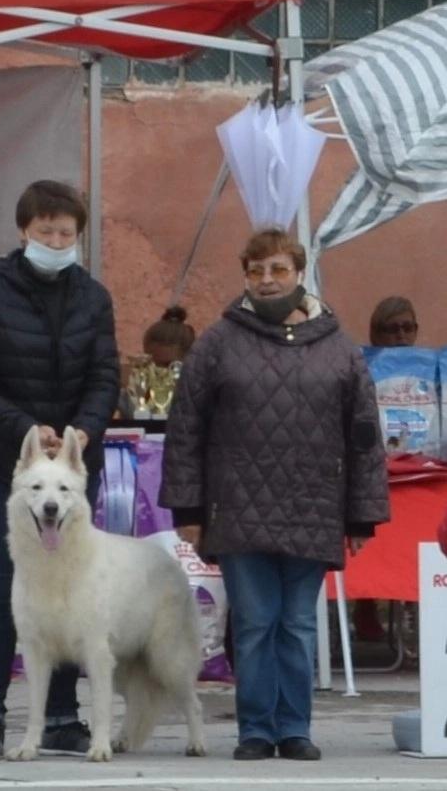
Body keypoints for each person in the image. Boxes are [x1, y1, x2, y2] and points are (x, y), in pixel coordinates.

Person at [158, 228, 389, 762]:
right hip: (238, 510)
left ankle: (296, 729)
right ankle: (256, 730)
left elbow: (363, 435)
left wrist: (361, 517)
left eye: (278, 270)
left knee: (299, 623)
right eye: (256, 271)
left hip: (313, 508)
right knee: (257, 622)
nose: (267, 281)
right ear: (245, 277)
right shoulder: (216, 343)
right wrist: (189, 509)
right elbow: (186, 427)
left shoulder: (340, 348)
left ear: (298, 273)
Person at [0, 179, 120, 759]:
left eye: (66, 232)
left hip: (69, 476)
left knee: (72, 597)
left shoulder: (94, 299)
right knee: (3, 593)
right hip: (4, 470)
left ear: (78, 236)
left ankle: (61, 718)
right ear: (24, 231)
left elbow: (105, 377)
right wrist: (26, 427)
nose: (56, 239)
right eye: (45, 230)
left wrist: (82, 430)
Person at [353, 296, 419, 649]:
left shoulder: (429, 372)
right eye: (392, 329)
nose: (401, 336)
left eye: (408, 328)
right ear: (375, 334)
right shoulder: (361, 370)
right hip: (374, 468)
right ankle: (365, 604)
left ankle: (418, 606)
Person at [118, 305, 195, 418]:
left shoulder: (197, 398)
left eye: (168, 365)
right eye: (151, 364)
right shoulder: (134, 393)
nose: (159, 372)